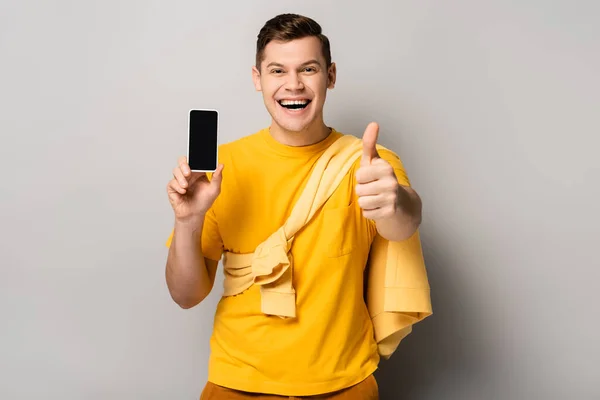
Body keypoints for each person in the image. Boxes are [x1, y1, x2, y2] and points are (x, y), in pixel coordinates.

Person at [165, 13, 424, 399]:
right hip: (236, 383)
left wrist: (395, 201)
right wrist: (188, 219)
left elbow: (403, 223)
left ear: (330, 75)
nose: (293, 84)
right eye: (277, 70)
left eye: (308, 68)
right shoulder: (223, 168)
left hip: (344, 384)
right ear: (258, 78)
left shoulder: (370, 164)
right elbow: (185, 295)